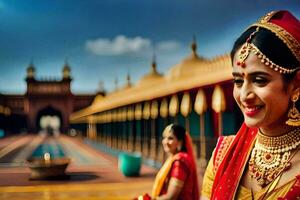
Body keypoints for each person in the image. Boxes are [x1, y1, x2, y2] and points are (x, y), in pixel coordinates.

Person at [201, 10, 300, 199]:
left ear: (295, 85)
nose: (244, 95)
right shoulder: (222, 155)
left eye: (260, 80)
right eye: (238, 82)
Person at [137, 124, 199, 200]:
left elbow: (171, 197)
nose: (165, 141)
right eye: (164, 138)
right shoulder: (173, 158)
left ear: (180, 142)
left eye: (170, 138)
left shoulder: (180, 162)